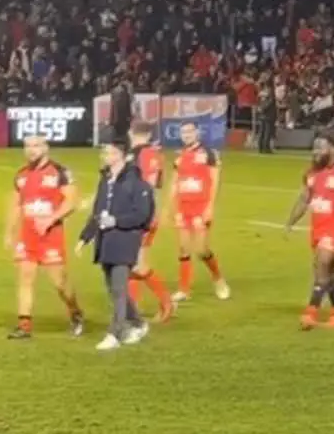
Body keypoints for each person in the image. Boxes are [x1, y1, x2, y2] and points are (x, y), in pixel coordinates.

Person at [76, 129, 155, 351]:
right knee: (113, 288)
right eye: (104, 152)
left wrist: (117, 221)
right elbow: (97, 210)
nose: (105, 156)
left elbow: (142, 215)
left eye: (109, 152)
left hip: (125, 239)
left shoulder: (136, 182)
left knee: (119, 288)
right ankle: (138, 323)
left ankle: (116, 333)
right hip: (106, 240)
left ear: (122, 154)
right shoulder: (105, 180)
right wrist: (86, 236)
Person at [4, 136, 84, 340]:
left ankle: (75, 313)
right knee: (25, 277)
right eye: (28, 146)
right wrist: (9, 232)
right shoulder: (21, 175)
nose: (31, 150)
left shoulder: (60, 172)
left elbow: (72, 201)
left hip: (50, 237)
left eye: (36, 146)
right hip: (28, 236)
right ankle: (24, 325)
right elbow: (16, 206)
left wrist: (50, 219)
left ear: (46, 148)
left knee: (60, 283)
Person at [284, 133, 334, 329]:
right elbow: (304, 199)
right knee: (330, 270)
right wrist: (290, 222)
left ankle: (311, 310)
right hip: (318, 227)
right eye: (314, 148)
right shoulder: (311, 172)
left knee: (322, 262)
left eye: (321, 148)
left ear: (332, 149)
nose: (316, 152)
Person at [169, 122, 230, 303]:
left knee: (201, 250)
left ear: (197, 133)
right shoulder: (179, 157)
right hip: (183, 207)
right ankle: (184, 289)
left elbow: (215, 181)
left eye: (189, 131)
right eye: (183, 132)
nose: (186, 135)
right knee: (184, 248)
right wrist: (172, 209)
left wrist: (210, 207)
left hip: (200, 207)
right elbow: (174, 184)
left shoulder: (209, 154)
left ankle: (218, 278)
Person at [125, 120, 173, 322]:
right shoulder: (156, 155)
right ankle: (132, 307)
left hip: (138, 215)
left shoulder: (134, 156)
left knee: (137, 264)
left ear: (131, 133)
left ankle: (167, 304)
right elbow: (157, 185)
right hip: (150, 213)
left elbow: (131, 188)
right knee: (129, 261)